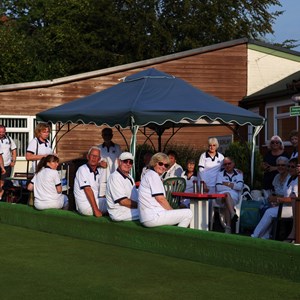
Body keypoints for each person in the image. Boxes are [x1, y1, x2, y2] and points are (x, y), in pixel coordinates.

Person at [138, 152, 193, 227]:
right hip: (153, 216)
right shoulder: (153, 175)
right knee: (188, 213)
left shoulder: (150, 174)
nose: (163, 167)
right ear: (154, 163)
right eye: (160, 164)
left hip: (150, 215)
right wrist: (172, 212)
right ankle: (176, 237)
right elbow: (160, 199)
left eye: (166, 165)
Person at [251, 158, 297, 239]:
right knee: (266, 208)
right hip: (284, 205)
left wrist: (278, 200)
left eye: (293, 167)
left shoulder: (297, 180)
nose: (290, 168)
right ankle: (265, 236)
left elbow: (293, 199)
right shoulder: (290, 178)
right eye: (289, 166)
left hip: (293, 209)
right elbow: (284, 195)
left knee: (269, 212)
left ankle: (255, 236)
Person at [74, 146, 107, 217]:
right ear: (88, 157)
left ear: (99, 159)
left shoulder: (97, 171)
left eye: (96, 156)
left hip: (93, 203)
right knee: (114, 203)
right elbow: (88, 189)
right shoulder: (82, 169)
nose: (94, 158)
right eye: (92, 155)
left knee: (112, 199)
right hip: (85, 207)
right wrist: (96, 210)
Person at [106, 152, 139, 221]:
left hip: (128, 209)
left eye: (130, 162)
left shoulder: (129, 176)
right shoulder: (115, 177)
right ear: (119, 162)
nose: (128, 164)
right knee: (150, 213)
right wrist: (142, 206)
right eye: (125, 161)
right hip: (119, 213)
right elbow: (123, 202)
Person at [215, 157, 244, 234]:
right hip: (220, 196)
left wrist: (226, 183)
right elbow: (218, 187)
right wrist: (233, 186)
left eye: (229, 163)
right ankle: (232, 213)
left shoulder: (239, 173)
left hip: (234, 198)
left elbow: (240, 186)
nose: (227, 165)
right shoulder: (220, 174)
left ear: (233, 164)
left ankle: (228, 227)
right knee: (227, 195)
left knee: (227, 201)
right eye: (225, 164)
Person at [97, 127, 122, 195]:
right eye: (105, 135)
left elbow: (121, 162)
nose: (107, 136)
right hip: (102, 180)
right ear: (102, 136)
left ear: (112, 136)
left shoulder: (117, 147)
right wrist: (99, 164)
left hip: (115, 179)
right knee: (102, 200)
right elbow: (92, 163)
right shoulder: (98, 148)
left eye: (109, 134)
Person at [0, 125, 17, 199]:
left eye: (3, 132)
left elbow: (14, 150)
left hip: (7, 165)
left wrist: (13, 161)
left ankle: (1, 197)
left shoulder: (9, 139)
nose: (1, 133)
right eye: (0, 132)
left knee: (3, 183)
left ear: (5, 131)